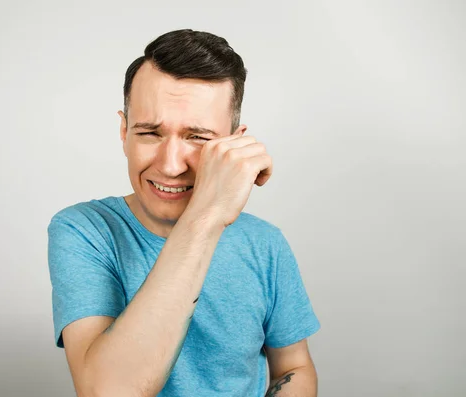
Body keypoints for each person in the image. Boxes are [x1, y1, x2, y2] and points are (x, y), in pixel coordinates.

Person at [47, 29, 320, 397]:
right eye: (150, 133)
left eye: (197, 138)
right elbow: (109, 392)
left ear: (233, 143)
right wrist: (207, 216)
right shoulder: (83, 231)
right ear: (124, 131)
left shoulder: (265, 243)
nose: (171, 165)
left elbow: (294, 367)